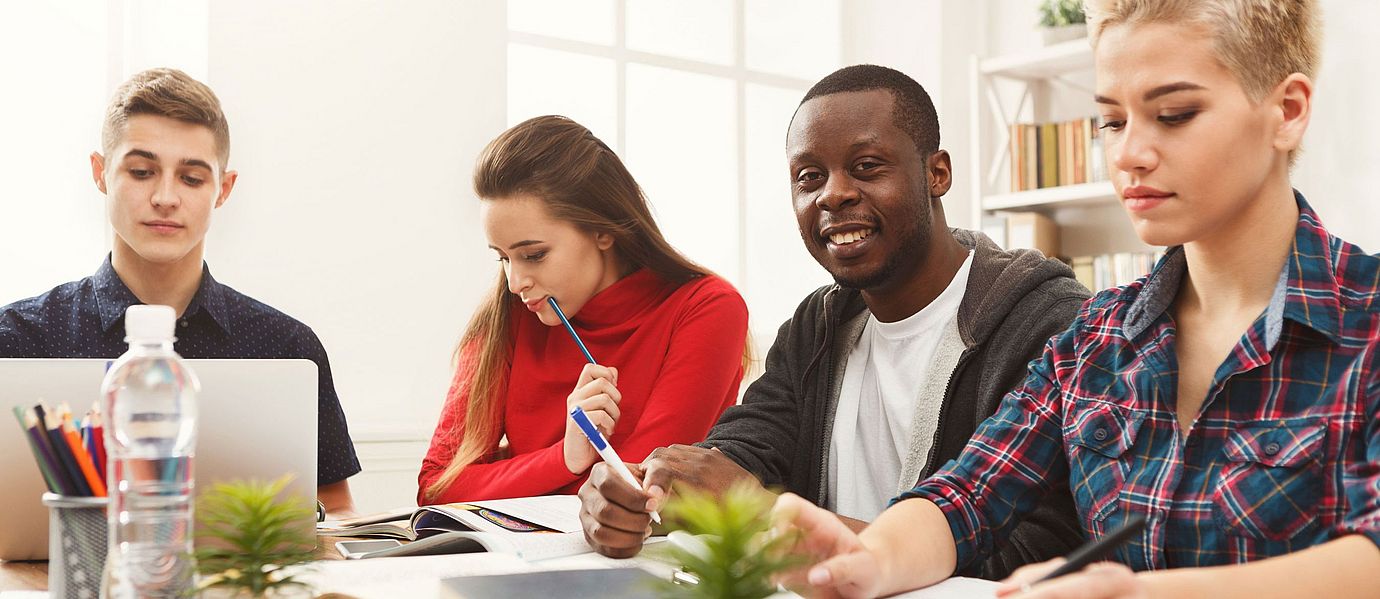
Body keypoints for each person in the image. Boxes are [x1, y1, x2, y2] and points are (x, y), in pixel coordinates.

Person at [775, 1, 1380, 597]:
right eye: (1113, 121)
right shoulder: (1097, 337)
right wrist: (869, 560)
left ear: (1287, 111)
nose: (1128, 154)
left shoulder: (1367, 320)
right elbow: (969, 494)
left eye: (1173, 114)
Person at [579, 65, 1090, 579]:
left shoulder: (1048, 322)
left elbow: (1042, 555)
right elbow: (745, 453)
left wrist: (758, 510)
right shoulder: (818, 325)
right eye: (809, 178)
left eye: (867, 166)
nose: (832, 194)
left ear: (937, 173)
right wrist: (649, 496)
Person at [0, 68, 362, 514]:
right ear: (101, 173)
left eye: (191, 178)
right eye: (141, 171)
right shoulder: (18, 338)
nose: (166, 197)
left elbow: (337, 513)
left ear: (223, 189)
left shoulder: (287, 346)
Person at [417, 115, 750, 505]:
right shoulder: (507, 315)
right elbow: (436, 487)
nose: (514, 281)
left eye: (534, 255)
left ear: (603, 230)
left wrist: (512, 477)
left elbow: (632, 493)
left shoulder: (707, 308)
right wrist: (565, 457)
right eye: (503, 258)